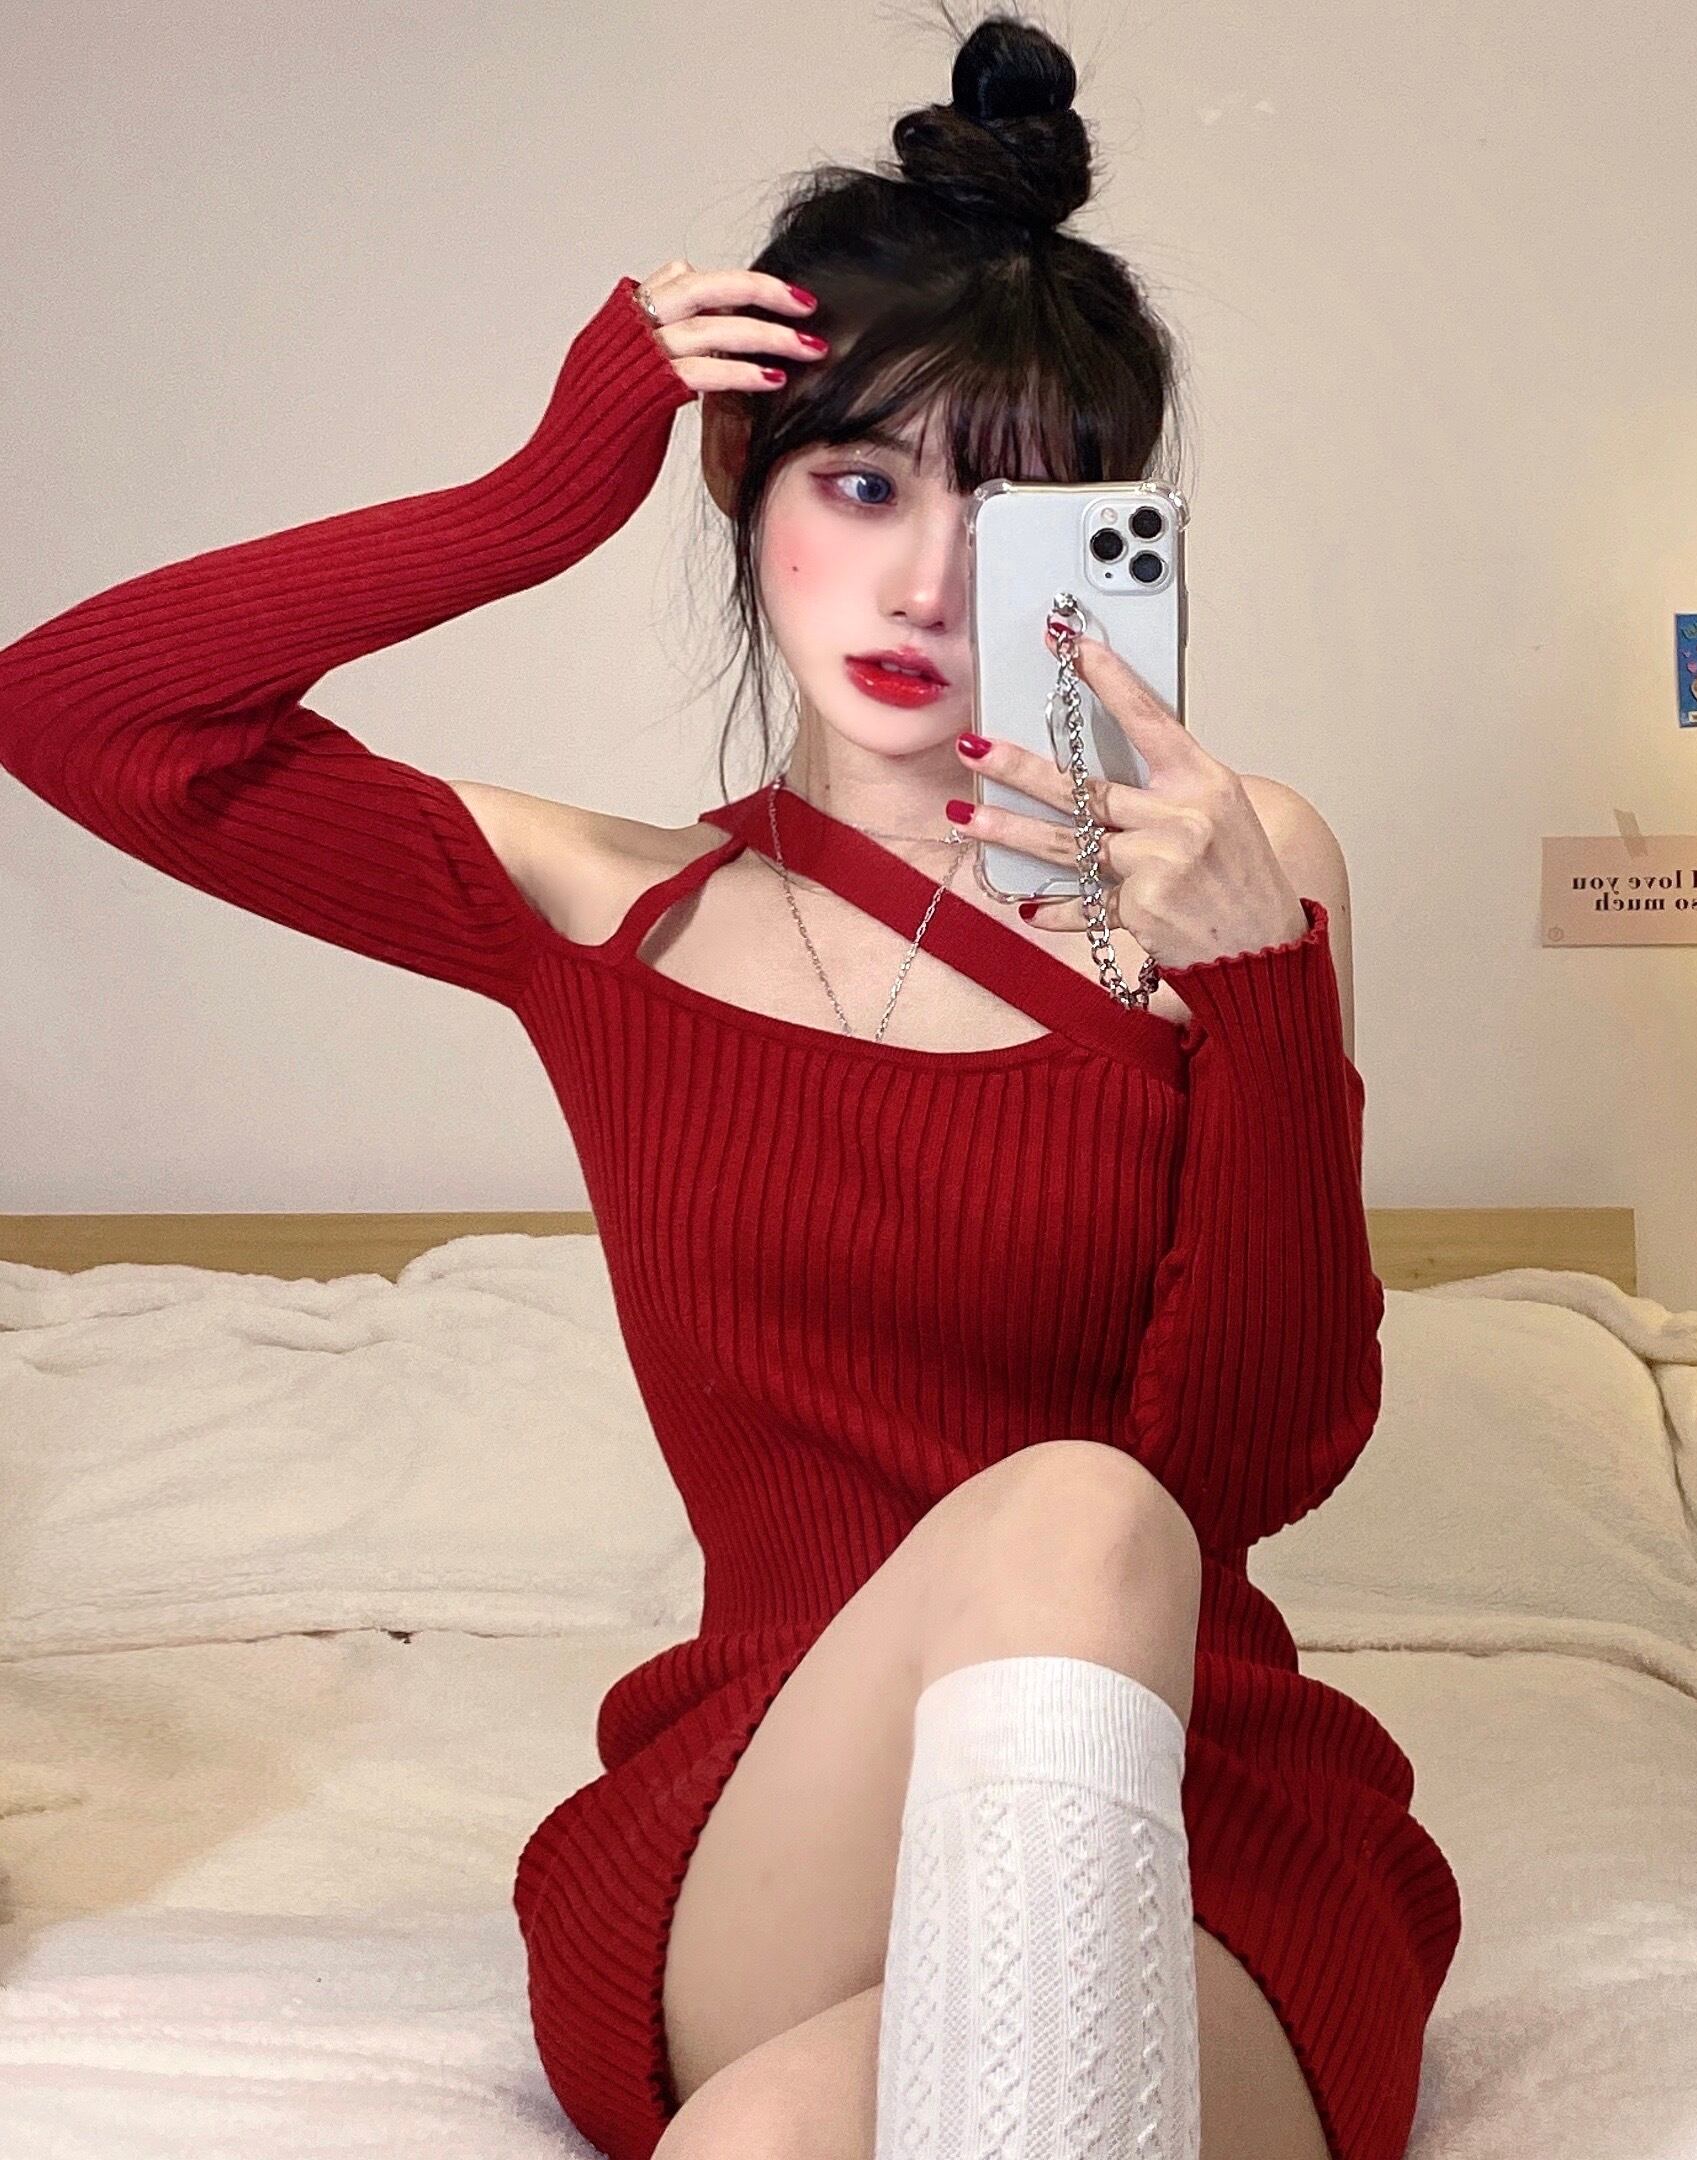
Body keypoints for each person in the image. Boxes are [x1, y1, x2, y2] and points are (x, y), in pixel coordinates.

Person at [0, 11, 1460, 2158]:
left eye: (1013, 509)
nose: (926, 581)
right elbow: (75, 713)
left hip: (1193, 1810)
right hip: (770, 1810)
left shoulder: (1237, 880)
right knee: (1053, 1529)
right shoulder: (610, 915)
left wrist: (1250, 993)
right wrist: (533, 496)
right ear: (745, 491)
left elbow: (1261, 1454)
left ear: (1106, 542)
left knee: (786, 2113)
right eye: (861, 485)